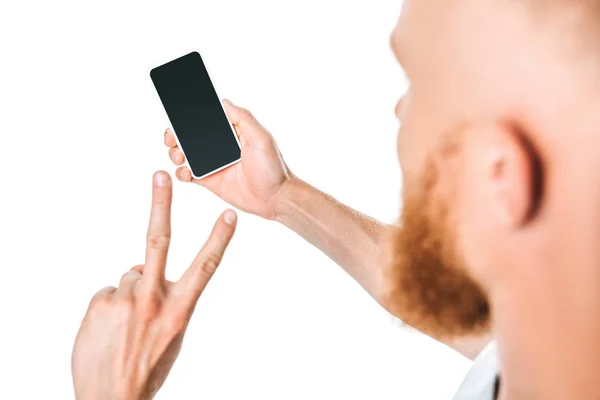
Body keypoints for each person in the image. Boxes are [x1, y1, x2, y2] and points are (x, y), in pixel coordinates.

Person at [72, 0, 600, 398]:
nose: (399, 110)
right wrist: (284, 196)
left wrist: (114, 389)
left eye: (417, 84)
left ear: (499, 173)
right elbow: (473, 322)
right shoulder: (546, 350)